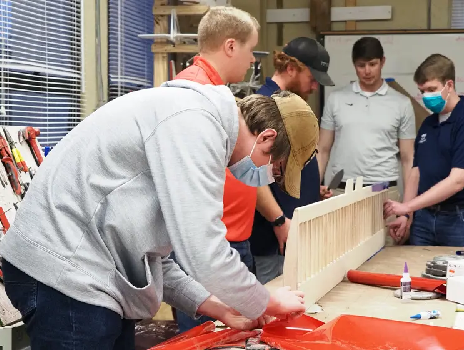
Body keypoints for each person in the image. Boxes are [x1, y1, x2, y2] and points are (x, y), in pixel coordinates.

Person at [0, 7, 319, 350]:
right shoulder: (197, 122)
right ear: (267, 138)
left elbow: (155, 259)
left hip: (92, 275)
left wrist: (218, 306)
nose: (268, 179)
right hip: (63, 270)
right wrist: (266, 300)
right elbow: (204, 251)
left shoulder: (204, 125)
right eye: (277, 169)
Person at [169, 6, 263, 333]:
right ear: (231, 46)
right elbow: (188, 194)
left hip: (213, 242)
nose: (252, 60)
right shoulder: (194, 95)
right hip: (202, 247)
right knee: (201, 337)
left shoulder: (213, 93)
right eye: (251, 50)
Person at [383, 53, 464, 247]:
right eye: (422, 91)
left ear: (449, 85)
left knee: (463, 275)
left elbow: (457, 181)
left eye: (432, 89)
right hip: (425, 218)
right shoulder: (428, 123)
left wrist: (408, 206)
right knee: (420, 273)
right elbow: (416, 173)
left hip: (463, 220)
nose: (426, 96)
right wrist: (405, 215)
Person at [249, 37, 335, 284]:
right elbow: (252, 177)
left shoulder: (289, 105)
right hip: (277, 242)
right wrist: (279, 221)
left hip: (294, 236)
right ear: (291, 68)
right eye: (312, 78)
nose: (314, 87)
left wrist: (309, 191)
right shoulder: (265, 107)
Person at [317, 36, 416, 244]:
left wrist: (407, 209)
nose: (367, 71)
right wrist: (314, 187)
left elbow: (408, 159)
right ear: (354, 65)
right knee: (337, 257)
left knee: (385, 258)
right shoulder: (336, 99)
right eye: (361, 65)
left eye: (373, 64)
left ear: (383, 62)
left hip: (385, 194)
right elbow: (322, 149)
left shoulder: (401, 103)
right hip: (340, 191)